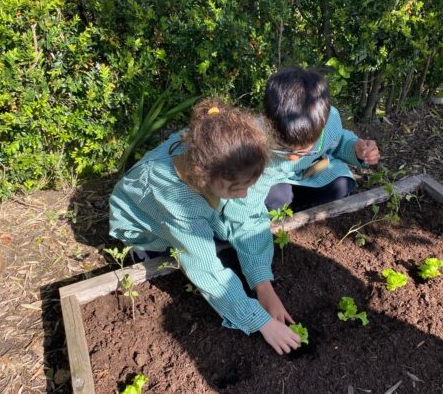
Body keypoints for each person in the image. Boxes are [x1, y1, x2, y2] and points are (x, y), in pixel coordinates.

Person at [109, 98, 301, 355]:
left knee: (228, 223)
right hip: (145, 223)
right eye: (237, 189)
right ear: (205, 176)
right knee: (186, 254)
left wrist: (263, 286)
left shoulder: (216, 146)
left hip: (195, 202)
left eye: (247, 186)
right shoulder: (178, 199)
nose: (244, 195)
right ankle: (146, 249)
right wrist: (261, 321)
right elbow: (205, 269)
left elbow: (247, 218)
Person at [261, 66, 381, 211]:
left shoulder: (330, 121)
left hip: (309, 177)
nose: (293, 158)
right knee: (277, 197)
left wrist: (355, 149)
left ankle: (296, 210)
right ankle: (282, 212)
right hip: (276, 184)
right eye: (284, 149)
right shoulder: (256, 135)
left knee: (341, 183)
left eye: (303, 150)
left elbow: (337, 141)